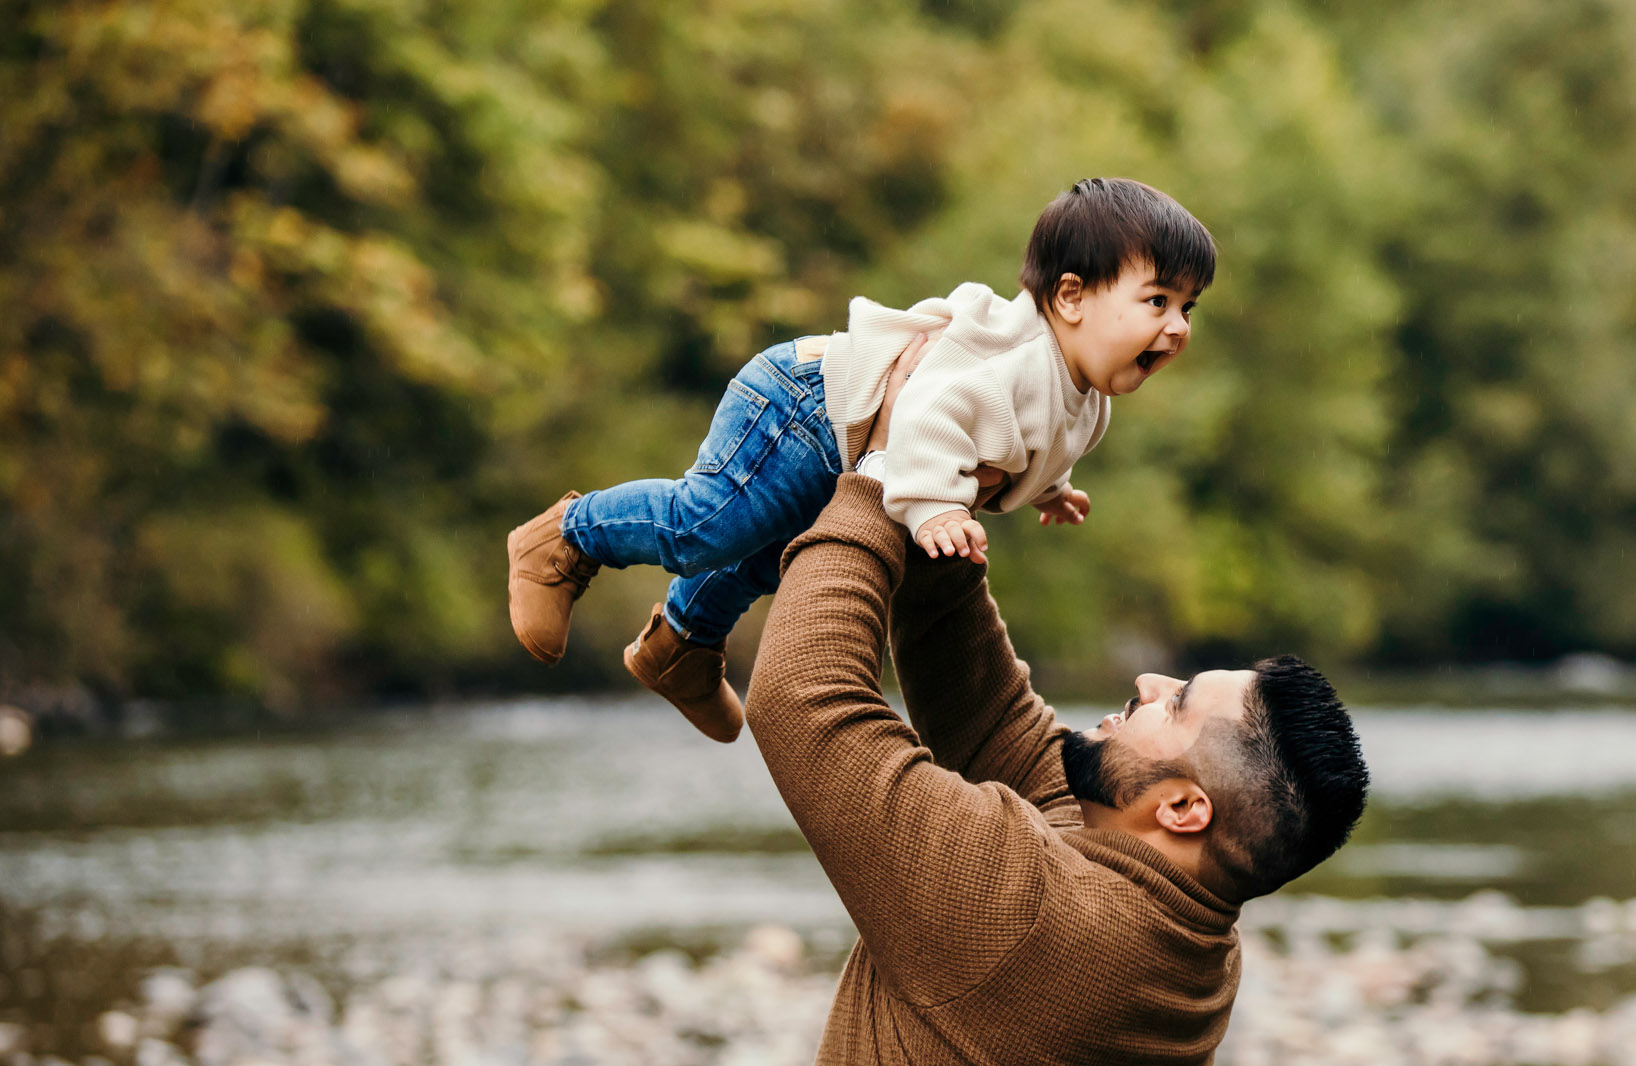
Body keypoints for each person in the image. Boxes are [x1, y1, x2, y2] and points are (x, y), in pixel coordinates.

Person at [743, 335, 1369, 1066]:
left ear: (1180, 808)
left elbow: (802, 699)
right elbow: (993, 725)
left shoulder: (1038, 914)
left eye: (1174, 706)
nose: (1146, 683)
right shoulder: (1165, 903)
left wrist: (870, 479)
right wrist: (939, 479)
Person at [504, 177, 1214, 742]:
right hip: (804, 402)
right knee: (706, 524)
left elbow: (1028, 441)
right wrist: (932, 504)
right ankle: (567, 535)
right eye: (1158, 301)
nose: (1176, 328)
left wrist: (1050, 488)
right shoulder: (1015, 358)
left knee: (763, 556)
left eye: (1188, 308)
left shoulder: (1087, 397)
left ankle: (682, 645)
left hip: (841, 437)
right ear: (1071, 297)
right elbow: (934, 409)